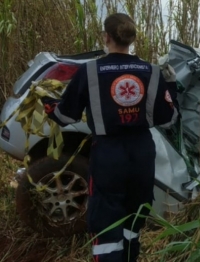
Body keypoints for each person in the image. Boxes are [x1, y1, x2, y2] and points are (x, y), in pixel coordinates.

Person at [41, 13, 179, 262]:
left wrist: (46, 103)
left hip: (108, 155)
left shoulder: (90, 71)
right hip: (142, 154)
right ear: (130, 39)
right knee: (134, 217)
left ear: (106, 37)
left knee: (105, 222)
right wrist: (171, 88)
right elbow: (168, 118)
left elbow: (65, 117)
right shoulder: (152, 72)